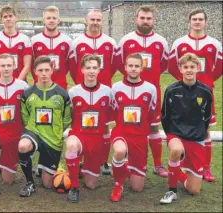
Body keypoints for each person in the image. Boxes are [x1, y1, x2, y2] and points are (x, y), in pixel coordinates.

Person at [168, 8, 222, 182]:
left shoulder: (214, 43)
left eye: (200, 19)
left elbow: (220, 67)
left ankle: (206, 168)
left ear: (206, 22)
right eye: (194, 19)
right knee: (183, 125)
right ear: (189, 21)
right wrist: (184, 85)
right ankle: (185, 162)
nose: (197, 22)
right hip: (183, 94)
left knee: (205, 130)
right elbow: (171, 66)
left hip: (205, 93)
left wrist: (206, 83)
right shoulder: (179, 43)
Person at [115, 5, 169, 178]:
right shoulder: (126, 40)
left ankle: (158, 164)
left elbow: (163, 65)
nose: (145, 21)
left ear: (153, 20)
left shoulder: (161, 41)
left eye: (148, 18)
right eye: (142, 18)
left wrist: (149, 82)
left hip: (151, 91)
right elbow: (118, 62)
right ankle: (128, 160)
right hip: (129, 92)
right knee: (128, 126)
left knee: (153, 127)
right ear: (136, 19)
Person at [68, 9, 117, 175]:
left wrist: (103, 81)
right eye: (92, 19)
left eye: (98, 19)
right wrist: (81, 86)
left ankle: (103, 161)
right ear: (86, 21)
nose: (95, 22)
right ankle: (80, 157)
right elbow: (73, 66)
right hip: (83, 91)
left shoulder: (110, 41)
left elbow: (115, 64)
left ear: (102, 21)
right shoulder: (77, 42)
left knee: (103, 127)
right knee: (81, 124)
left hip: (103, 91)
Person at [160, 53, 212, 204]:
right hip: (176, 134)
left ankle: (179, 173)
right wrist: (170, 135)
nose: (189, 70)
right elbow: (165, 115)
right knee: (176, 150)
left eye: (192, 67)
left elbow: (207, 117)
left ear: (198, 68)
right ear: (180, 69)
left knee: (194, 191)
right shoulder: (171, 90)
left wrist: (200, 132)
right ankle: (172, 190)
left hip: (196, 137)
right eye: (186, 67)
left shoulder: (205, 91)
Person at [17, 56, 72, 197]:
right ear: (35, 71)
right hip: (33, 132)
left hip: (52, 140)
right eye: (40, 70)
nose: (44, 73)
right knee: (23, 145)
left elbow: (66, 119)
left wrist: (56, 131)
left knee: (47, 184)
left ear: (52, 70)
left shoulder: (62, 94)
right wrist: (32, 128)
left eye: (47, 70)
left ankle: (43, 168)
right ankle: (29, 183)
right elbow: (25, 116)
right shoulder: (28, 93)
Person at [109, 53, 158, 202]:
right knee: (119, 150)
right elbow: (114, 110)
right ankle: (118, 184)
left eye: (137, 66)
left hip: (140, 137)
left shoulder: (150, 89)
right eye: (130, 65)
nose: (133, 69)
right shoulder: (116, 87)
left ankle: (123, 166)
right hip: (122, 133)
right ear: (125, 67)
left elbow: (150, 114)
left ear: (142, 68)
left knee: (137, 188)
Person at [65, 54, 113, 203]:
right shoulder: (73, 92)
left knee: (91, 185)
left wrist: (104, 157)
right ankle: (74, 187)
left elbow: (107, 126)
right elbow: (68, 118)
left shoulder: (107, 92)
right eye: (88, 68)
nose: (91, 71)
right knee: (72, 145)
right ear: (82, 70)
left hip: (96, 139)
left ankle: (80, 166)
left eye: (94, 68)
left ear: (99, 70)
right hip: (79, 135)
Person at [0, 53, 28, 195]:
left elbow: (26, 111)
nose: (6, 68)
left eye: (9, 65)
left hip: (15, 132)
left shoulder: (23, 86)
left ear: (14, 66)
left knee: (8, 181)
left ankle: (0, 156)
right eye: (3, 65)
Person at [0, 4, 32, 82]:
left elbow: (27, 65)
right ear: (1, 20)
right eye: (5, 17)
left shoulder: (25, 39)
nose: (8, 19)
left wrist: (18, 83)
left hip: (19, 83)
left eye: (10, 16)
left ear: (16, 18)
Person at [31, 5, 72, 90]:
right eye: (48, 18)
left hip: (60, 87)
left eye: (54, 18)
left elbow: (68, 65)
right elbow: (31, 65)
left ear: (58, 21)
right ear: (43, 20)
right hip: (40, 86)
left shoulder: (67, 41)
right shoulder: (34, 40)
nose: (51, 20)